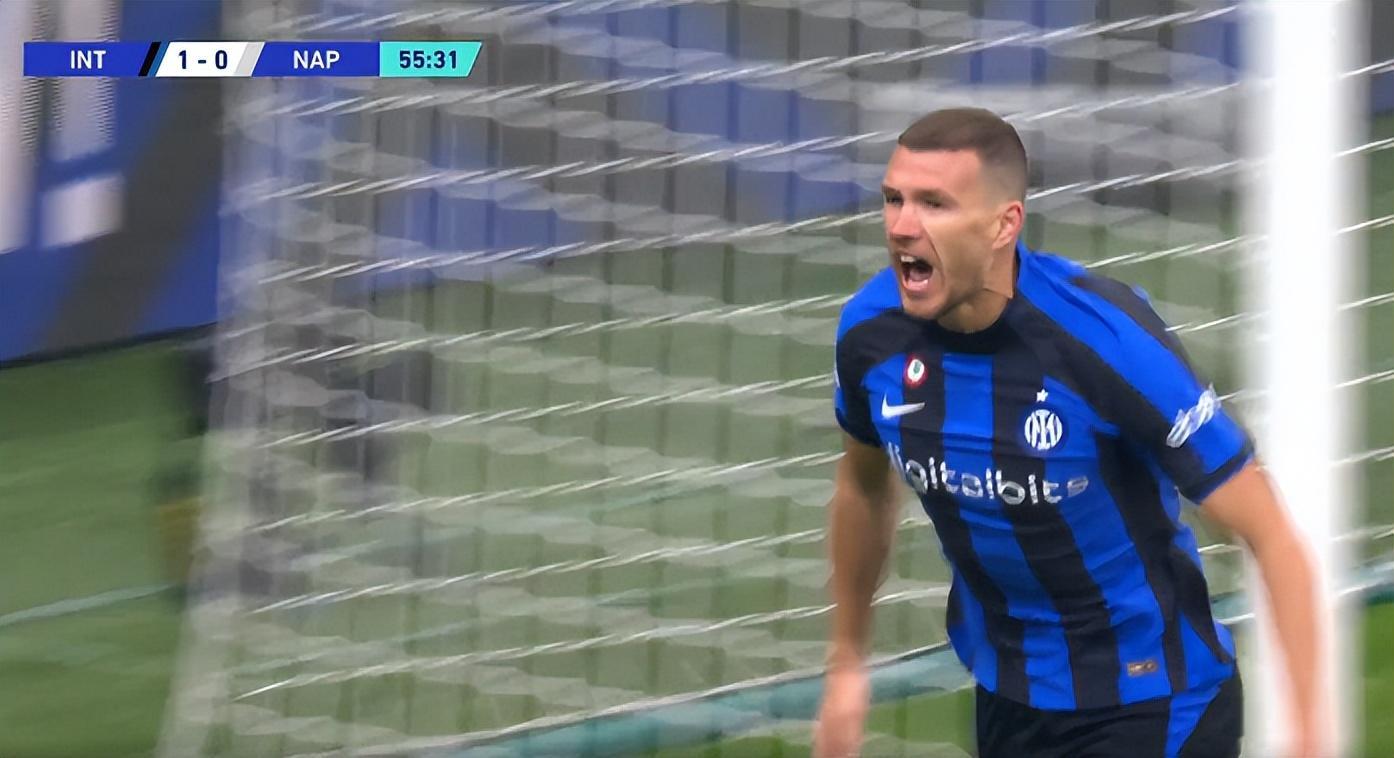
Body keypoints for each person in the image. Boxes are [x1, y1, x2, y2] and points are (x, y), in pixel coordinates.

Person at [814, 108, 1327, 757]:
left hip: (1154, 703)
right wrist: (847, 663)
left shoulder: (1105, 342)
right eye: (894, 199)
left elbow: (1269, 531)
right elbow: (862, 489)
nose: (901, 227)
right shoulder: (870, 334)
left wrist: (1309, 734)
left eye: (934, 204)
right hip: (1008, 698)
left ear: (1004, 224)